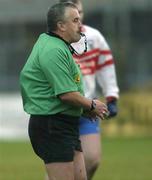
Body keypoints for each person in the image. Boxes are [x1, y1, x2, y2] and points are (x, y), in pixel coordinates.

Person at [19, 2, 108, 180]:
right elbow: (65, 94)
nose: (80, 24)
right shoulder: (53, 50)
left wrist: (84, 109)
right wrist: (91, 105)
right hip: (52, 125)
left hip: (63, 124)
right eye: (75, 20)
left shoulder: (57, 45)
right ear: (61, 26)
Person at [58, 0, 119, 179]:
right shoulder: (51, 41)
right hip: (59, 109)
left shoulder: (94, 37)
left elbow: (105, 66)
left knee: (91, 159)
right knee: (62, 167)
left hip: (87, 107)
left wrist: (112, 96)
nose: (79, 19)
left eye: (81, 14)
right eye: (73, 17)